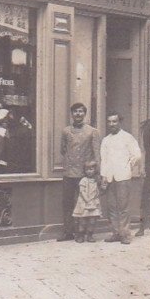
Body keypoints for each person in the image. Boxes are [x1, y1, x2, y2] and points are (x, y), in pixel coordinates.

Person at [58, 103, 101, 241]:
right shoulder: (66, 131)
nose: (78, 114)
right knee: (67, 202)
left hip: (85, 175)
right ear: (71, 114)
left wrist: (97, 173)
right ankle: (68, 232)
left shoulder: (92, 131)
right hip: (69, 173)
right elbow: (63, 150)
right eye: (75, 111)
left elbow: (96, 153)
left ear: (85, 114)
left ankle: (83, 233)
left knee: (85, 203)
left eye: (81, 111)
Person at [100, 111, 142, 245]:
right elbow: (103, 160)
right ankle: (116, 233)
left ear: (119, 122)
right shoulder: (106, 140)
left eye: (114, 121)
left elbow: (137, 154)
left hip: (123, 177)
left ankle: (125, 235)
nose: (112, 124)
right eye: (110, 122)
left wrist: (128, 165)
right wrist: (104, 177)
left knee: (123, 207)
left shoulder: (127, 137)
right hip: (110, 177)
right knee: (111, 207)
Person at [72, 161, 102, 243]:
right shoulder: (83, 180)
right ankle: (80, 235)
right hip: (84, 203)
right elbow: (82, 192)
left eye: (91, 169)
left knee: (92, 221)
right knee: (83, 221)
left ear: (95, 170)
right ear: (84, 171)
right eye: (87, 169)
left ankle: (90, 235)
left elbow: (98, 191)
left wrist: (96, 197)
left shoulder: (96, 180)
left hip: (93, 202)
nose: (89, 171)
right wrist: (87, 200)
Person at [136, 116, 150, 236]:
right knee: (146, 196)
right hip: (149, 166)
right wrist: (142, 167)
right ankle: (143, 226)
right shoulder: (146, 126)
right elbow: (142, 149)